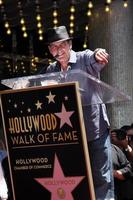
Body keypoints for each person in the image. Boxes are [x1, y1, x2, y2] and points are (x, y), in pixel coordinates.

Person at [43, 26, 114, 199]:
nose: (58, 51)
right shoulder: (51, 70)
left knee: (102, 179)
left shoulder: (84, 58)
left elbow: (96, 56)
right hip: (71, 136)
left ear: (69, 44)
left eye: (61, 45)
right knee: (76, 179)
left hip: (95, 131)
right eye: (53, 47)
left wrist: (99, 53)